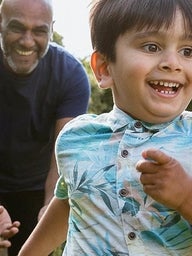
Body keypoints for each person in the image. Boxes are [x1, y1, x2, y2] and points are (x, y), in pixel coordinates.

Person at [18, 0, 192, 255]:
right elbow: (73, 201)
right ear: (103, 68)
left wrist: (186, 197)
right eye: (152, 46)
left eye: (187, 51)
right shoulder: (76, 139)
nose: (172, 63)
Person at [0, 0, 90, 254]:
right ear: (1, 24)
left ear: (51, 29)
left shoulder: (70, 74)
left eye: (39, 31)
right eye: (17, 28)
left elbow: (63, 150)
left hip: (37, 185)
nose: (27, 42)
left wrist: (50, 205)